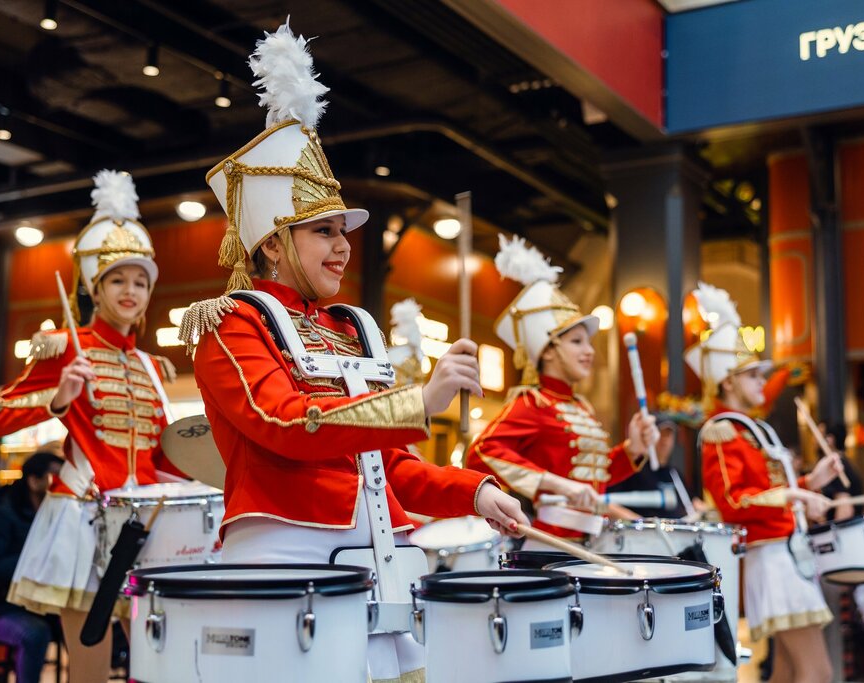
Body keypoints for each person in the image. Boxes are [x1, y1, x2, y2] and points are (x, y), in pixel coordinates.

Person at [179, 23, 528, 683]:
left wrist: (473, 489)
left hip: (380, 558)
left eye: (343, 231)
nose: (342, 247)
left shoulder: (349, 329)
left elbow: (388, 467)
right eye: (323, 232)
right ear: (274, 244)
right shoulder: (233, 325)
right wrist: (418, 399)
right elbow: (282, 422)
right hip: (288, 557)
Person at [0, 170, 181, 683]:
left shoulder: (155, 367)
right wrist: (58, 399)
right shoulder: (66, 348)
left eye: (140, 280)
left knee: (155, 660)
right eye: (117, 279)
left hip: (146, 526)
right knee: (89, 662)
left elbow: (159, 458)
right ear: (95, 286)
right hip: (81, 522)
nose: (130, 291)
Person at [687, 282, 842, 683]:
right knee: (816, 672)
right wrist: (793, 493)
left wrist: (809, 482)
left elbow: (767, 489)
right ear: (727, 382)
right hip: (770, 557)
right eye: (752, 374)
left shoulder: (748, 430)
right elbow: (734, 502)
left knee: (791, 671)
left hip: (785, 552)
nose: (761, 381)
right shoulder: (721, 431)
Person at [464, 233, 659, 542]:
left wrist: (632, 449)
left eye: (589, 342)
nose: (589, 351)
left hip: (590, 537)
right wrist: (557, 485)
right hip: (550, 543)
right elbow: (481, 453)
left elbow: (593, 475)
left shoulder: (581, 405)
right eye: (577, 341)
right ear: (549, 351)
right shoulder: (531, 402)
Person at [0, 450, 64, 683]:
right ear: (34, 481)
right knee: (34, 633)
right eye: (56, 478)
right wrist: (34, 564)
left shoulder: (56, 516)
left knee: (85, 625)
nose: (63, 485)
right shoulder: (3, 512)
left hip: (40, 606)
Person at [607, 415, 707, 519]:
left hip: (678, 531)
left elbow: (692, 502)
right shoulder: (633, 469)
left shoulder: (674, 473)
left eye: (668, 434)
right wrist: (641, 523)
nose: (664, 440)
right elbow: (606, 504)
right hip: (643, 533)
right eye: (660, 433)